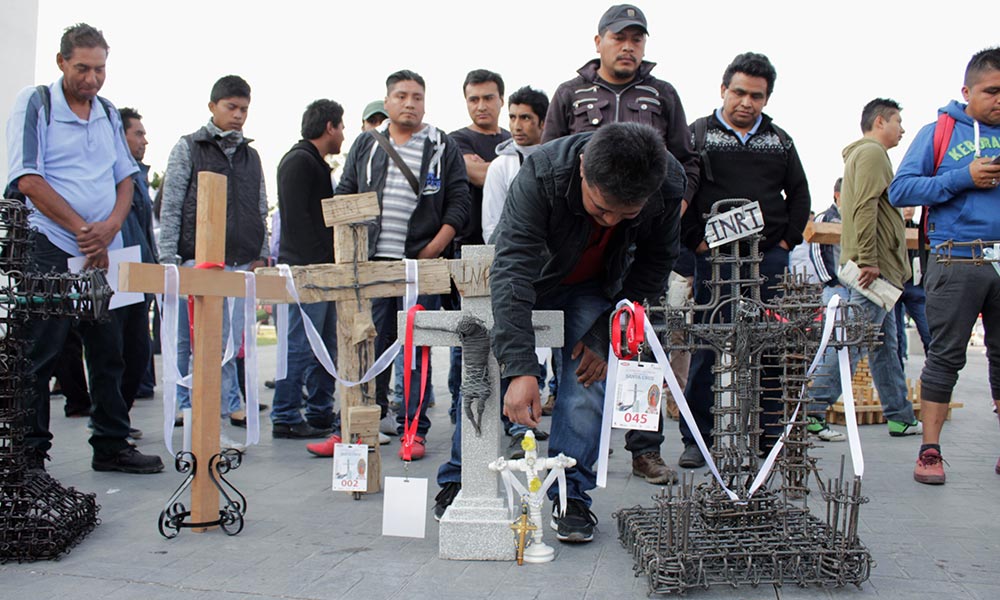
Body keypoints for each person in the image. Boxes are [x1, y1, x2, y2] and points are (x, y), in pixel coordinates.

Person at [483, 122, 686, 542]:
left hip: (597, 287)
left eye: (625, 215)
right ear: (580, 169)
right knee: (480, 371)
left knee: (588, 376)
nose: (611, 220)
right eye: (600, 209)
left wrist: (602, 333)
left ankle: (569, 495)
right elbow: (511, 271)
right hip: (533, 277)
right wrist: (522, 369)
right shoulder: (541, 172)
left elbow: (653, 267)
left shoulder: (667, 183)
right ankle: (460, 479)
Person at [541, 4, 697, 484]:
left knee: (641, 347)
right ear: (599, 41)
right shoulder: (570, 94)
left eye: (638, 39)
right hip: (585, 240)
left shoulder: (662, 94)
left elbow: (686, 165)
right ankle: (576, 453)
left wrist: (665, 217)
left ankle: (644, 448)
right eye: (619, 37)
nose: (629, 46)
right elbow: (547, 156)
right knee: (584, 352)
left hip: (644, 235)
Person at [5, 23, 163, 473]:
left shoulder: (109, 112)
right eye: (82, 69)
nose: (91, 79)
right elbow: (28, 178)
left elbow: (125, 178)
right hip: (51, 241)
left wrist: (109, 228)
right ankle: (30, 455)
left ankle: (111, 443)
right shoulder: (36, 104)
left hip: (102, 246)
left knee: (110, 348)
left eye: (99, 69)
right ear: (61, 63)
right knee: (42, 350)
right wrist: (81, 229)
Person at [678, 52, 811, 468]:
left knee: (769, 347)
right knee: (708, 347)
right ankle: (697, 439)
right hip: (714, 260)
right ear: (723, 90)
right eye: (739, 92)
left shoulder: (780, 141)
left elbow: (801, 193)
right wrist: (696, 243)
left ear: (766, 99)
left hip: (767, 260)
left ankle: (768, 435)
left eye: (757, 95)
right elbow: (679, 191)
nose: (746, 102)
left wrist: (786, 244)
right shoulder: (696, 135)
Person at [334, 70, 470, 461]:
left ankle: (413, 428)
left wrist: (434, 249)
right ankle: (356, 427)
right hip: (371, 266)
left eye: (416, 97)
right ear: (387, 101)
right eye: (401, 96)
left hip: (418, 267)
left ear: (425, 102)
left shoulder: (441, 144)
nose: (409, 103)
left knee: (416, 348)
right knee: (364, 344)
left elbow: (459, 201)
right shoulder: (366, 144)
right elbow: (345, 196)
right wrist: (350, 252)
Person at [889, 47, 1000, 485]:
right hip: (956, 257)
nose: (999, 99)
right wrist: (963, 177)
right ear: (967, 91)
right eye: (992, 91)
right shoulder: (939, 132)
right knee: (945, 357)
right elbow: (901, 191)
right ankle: (929, 451)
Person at [158, 75, 269, 447]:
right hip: (197, 260)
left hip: (239, 263)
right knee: (196, 342)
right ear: (212, 107)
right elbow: (172, 203)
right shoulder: (190, 147)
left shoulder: (252, 155)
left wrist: (261, 251)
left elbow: (258, 205)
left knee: (230, 344)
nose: (238, 116)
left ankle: (222, 412)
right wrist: (169, 259)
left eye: (244, 109)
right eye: (231, 107)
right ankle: (195, 417)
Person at [807, 98, 922, 442]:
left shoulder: (867, 155)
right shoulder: (871, 153)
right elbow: (864, 208)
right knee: (851, 342)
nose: (902, 129)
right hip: (875, 269)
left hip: (880, 268)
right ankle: (811, 412)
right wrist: (869, 258)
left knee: (884, 345)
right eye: (898, 122)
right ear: (881, 121)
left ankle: (899, 416)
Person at [263, 100, 344, 443]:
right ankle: (285, 413)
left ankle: (319, 410)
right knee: (299, 345)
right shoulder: (299, 161)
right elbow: (299, 221)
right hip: (306, 271)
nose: (343, 134)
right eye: (341, 127)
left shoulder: (314, 163)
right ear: (329, 127)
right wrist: (322, 262)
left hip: (321, 270)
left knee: (326, 345)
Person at [444, 70, 512, 445]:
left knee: (507, 335)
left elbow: (492, 175)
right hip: (468, 252)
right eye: (474, 99)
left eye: (488, 98)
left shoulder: (510, 138)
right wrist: (506, 170)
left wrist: (497, 171)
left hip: (510, 253)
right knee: (467, 338)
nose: (481, 105)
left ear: (501, 99)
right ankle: (461, 415)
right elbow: (481, 175)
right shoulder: (457, 140)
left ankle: (509, 418)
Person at [118, 107, 157, 428]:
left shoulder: (138, 177)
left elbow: (145, 230)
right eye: (138, 133)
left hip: (142, 273)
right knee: (114, 355)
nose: (145, 140)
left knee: (139, 354)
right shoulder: (111, 174)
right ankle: (111, 427)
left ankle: (119, 419)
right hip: (117, 272)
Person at [893, 206, 931, 365]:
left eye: (912, 206)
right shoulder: (893, 227)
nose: (909, 209)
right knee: (896, 335)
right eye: (905, 206)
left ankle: (935, 368)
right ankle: (898, 376)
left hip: (916, 287)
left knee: (929, 331)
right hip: (894, 286)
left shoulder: (920, 229)